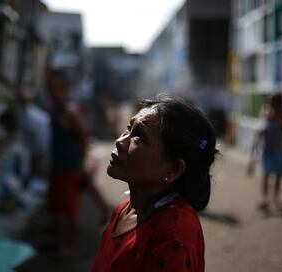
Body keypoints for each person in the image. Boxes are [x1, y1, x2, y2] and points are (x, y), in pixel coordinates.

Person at [91, 95, 218, 272]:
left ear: (173, 170)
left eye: (139, 137)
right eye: (129, 129)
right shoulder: (124, 209)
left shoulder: (174, 238)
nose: (120, 141)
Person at [47, 70, 109, 257]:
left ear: (65, 91)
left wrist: (81, 159)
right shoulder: (56, 111)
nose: (53, 92)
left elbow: (84, 135)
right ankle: (60, 243)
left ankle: (68, 246)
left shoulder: (69, 112)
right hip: (59, 167)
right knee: (58, 209)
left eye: (57, 89)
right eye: (51, 88)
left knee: (68, 210)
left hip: (70, 167)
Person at [256, 93, 282, 209]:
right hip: (266, 149)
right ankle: (264, 199)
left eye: (272, 101)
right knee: (266, 174)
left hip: (279, 149)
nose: (270, 103)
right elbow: (260, 130)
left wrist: (281, 122)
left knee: (278, 176)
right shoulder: (265, 113)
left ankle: (276, 198)